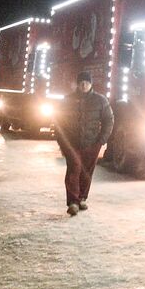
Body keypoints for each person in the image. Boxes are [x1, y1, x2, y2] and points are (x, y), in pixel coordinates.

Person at [54, 69, 114, 216]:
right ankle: (73, 201)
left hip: (92, 143)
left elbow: (109, 120)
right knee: (74, 169)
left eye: (86, 82)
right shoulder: (67, 100)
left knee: (87, 171)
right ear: (77, 84)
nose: (84, 85)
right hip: (71, 143)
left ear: (91, 84)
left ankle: (82, 198)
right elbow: (58, 122)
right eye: (81, 82)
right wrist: (62, 142)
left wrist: (101, 140)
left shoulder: (100, 100)